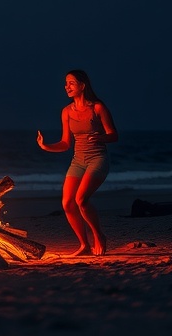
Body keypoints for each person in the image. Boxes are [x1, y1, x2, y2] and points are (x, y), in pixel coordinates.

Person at [37, 70, 118, 256]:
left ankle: (99, 236)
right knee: (67, 203)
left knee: (81, 199)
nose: (67, 86)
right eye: (66, 83)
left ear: (82, 85)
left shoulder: (97, 108)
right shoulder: (66, 112)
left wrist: (101, 138)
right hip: (77, 161)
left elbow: (114, 135)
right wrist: (45, 146)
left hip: (97, 159)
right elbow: (65, 143)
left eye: (71, 83)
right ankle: (84, 245)